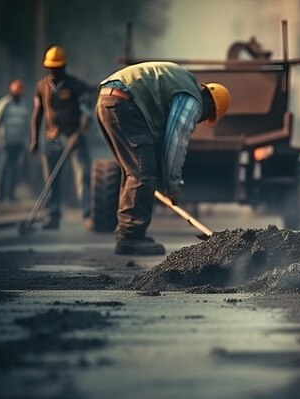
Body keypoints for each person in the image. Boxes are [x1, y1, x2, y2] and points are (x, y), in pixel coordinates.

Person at [96, 62, 231, 255]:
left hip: (107, 99)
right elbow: (174, 144)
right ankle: (131, 237)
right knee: (142, 172)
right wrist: (172, 186)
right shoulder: (192, 100)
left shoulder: (182, 84)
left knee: (134, 171)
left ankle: (129, 233)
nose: (200, 120)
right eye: (206, 117)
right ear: (210, 105)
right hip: (123, 103)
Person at [29, 45, 93, 230]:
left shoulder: (76, 86)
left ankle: (87, 215)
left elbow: (86, 113)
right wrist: (34, 140)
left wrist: (79, 133)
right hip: (51, 138)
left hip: (73, 137)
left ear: (64, 67)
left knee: (83, 175)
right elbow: (37, 113)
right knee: (51, 179)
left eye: (58, 68)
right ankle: (52, 217)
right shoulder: (41, 86)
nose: (55, 71)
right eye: (51, 68)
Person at [0, 79, 29, 202]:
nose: (17, 96)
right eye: (15, 94)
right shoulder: (4, 103)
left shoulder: (23, 105)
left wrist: (27, 143)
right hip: (6, 142)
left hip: (19, 142)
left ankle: (11, 194)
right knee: (5, 167)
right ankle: (1, 195)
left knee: (15, 168)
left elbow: (25, 126)